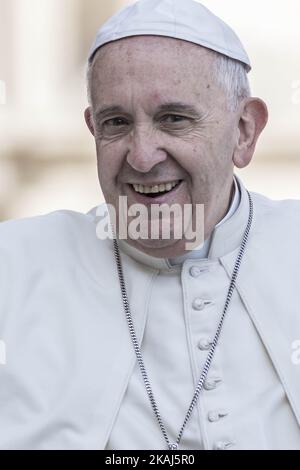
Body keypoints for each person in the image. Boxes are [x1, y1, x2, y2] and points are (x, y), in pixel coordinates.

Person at [0, 0, 300, 451]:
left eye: (174, 119)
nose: (142, 157)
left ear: (244, 131)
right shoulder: (14, 265)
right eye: (116, 123)